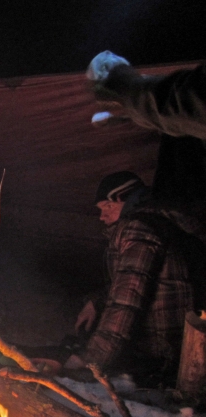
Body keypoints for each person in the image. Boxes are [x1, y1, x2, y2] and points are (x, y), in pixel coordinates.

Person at [64, 171, 205, 385]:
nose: (102, 216)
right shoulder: (159, 221)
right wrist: (96, 301)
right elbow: (137, 280)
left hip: (162, 354)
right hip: (176, 343)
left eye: (107, 206)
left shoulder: (139, 229)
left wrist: (91, 360)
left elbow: (126, 300)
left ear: (126, 199)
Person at [87, 52, 206, 234]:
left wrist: (126, 89)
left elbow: (195, 102)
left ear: (122, 197)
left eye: (107, 206)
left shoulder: (144, 227)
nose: (102, 217)